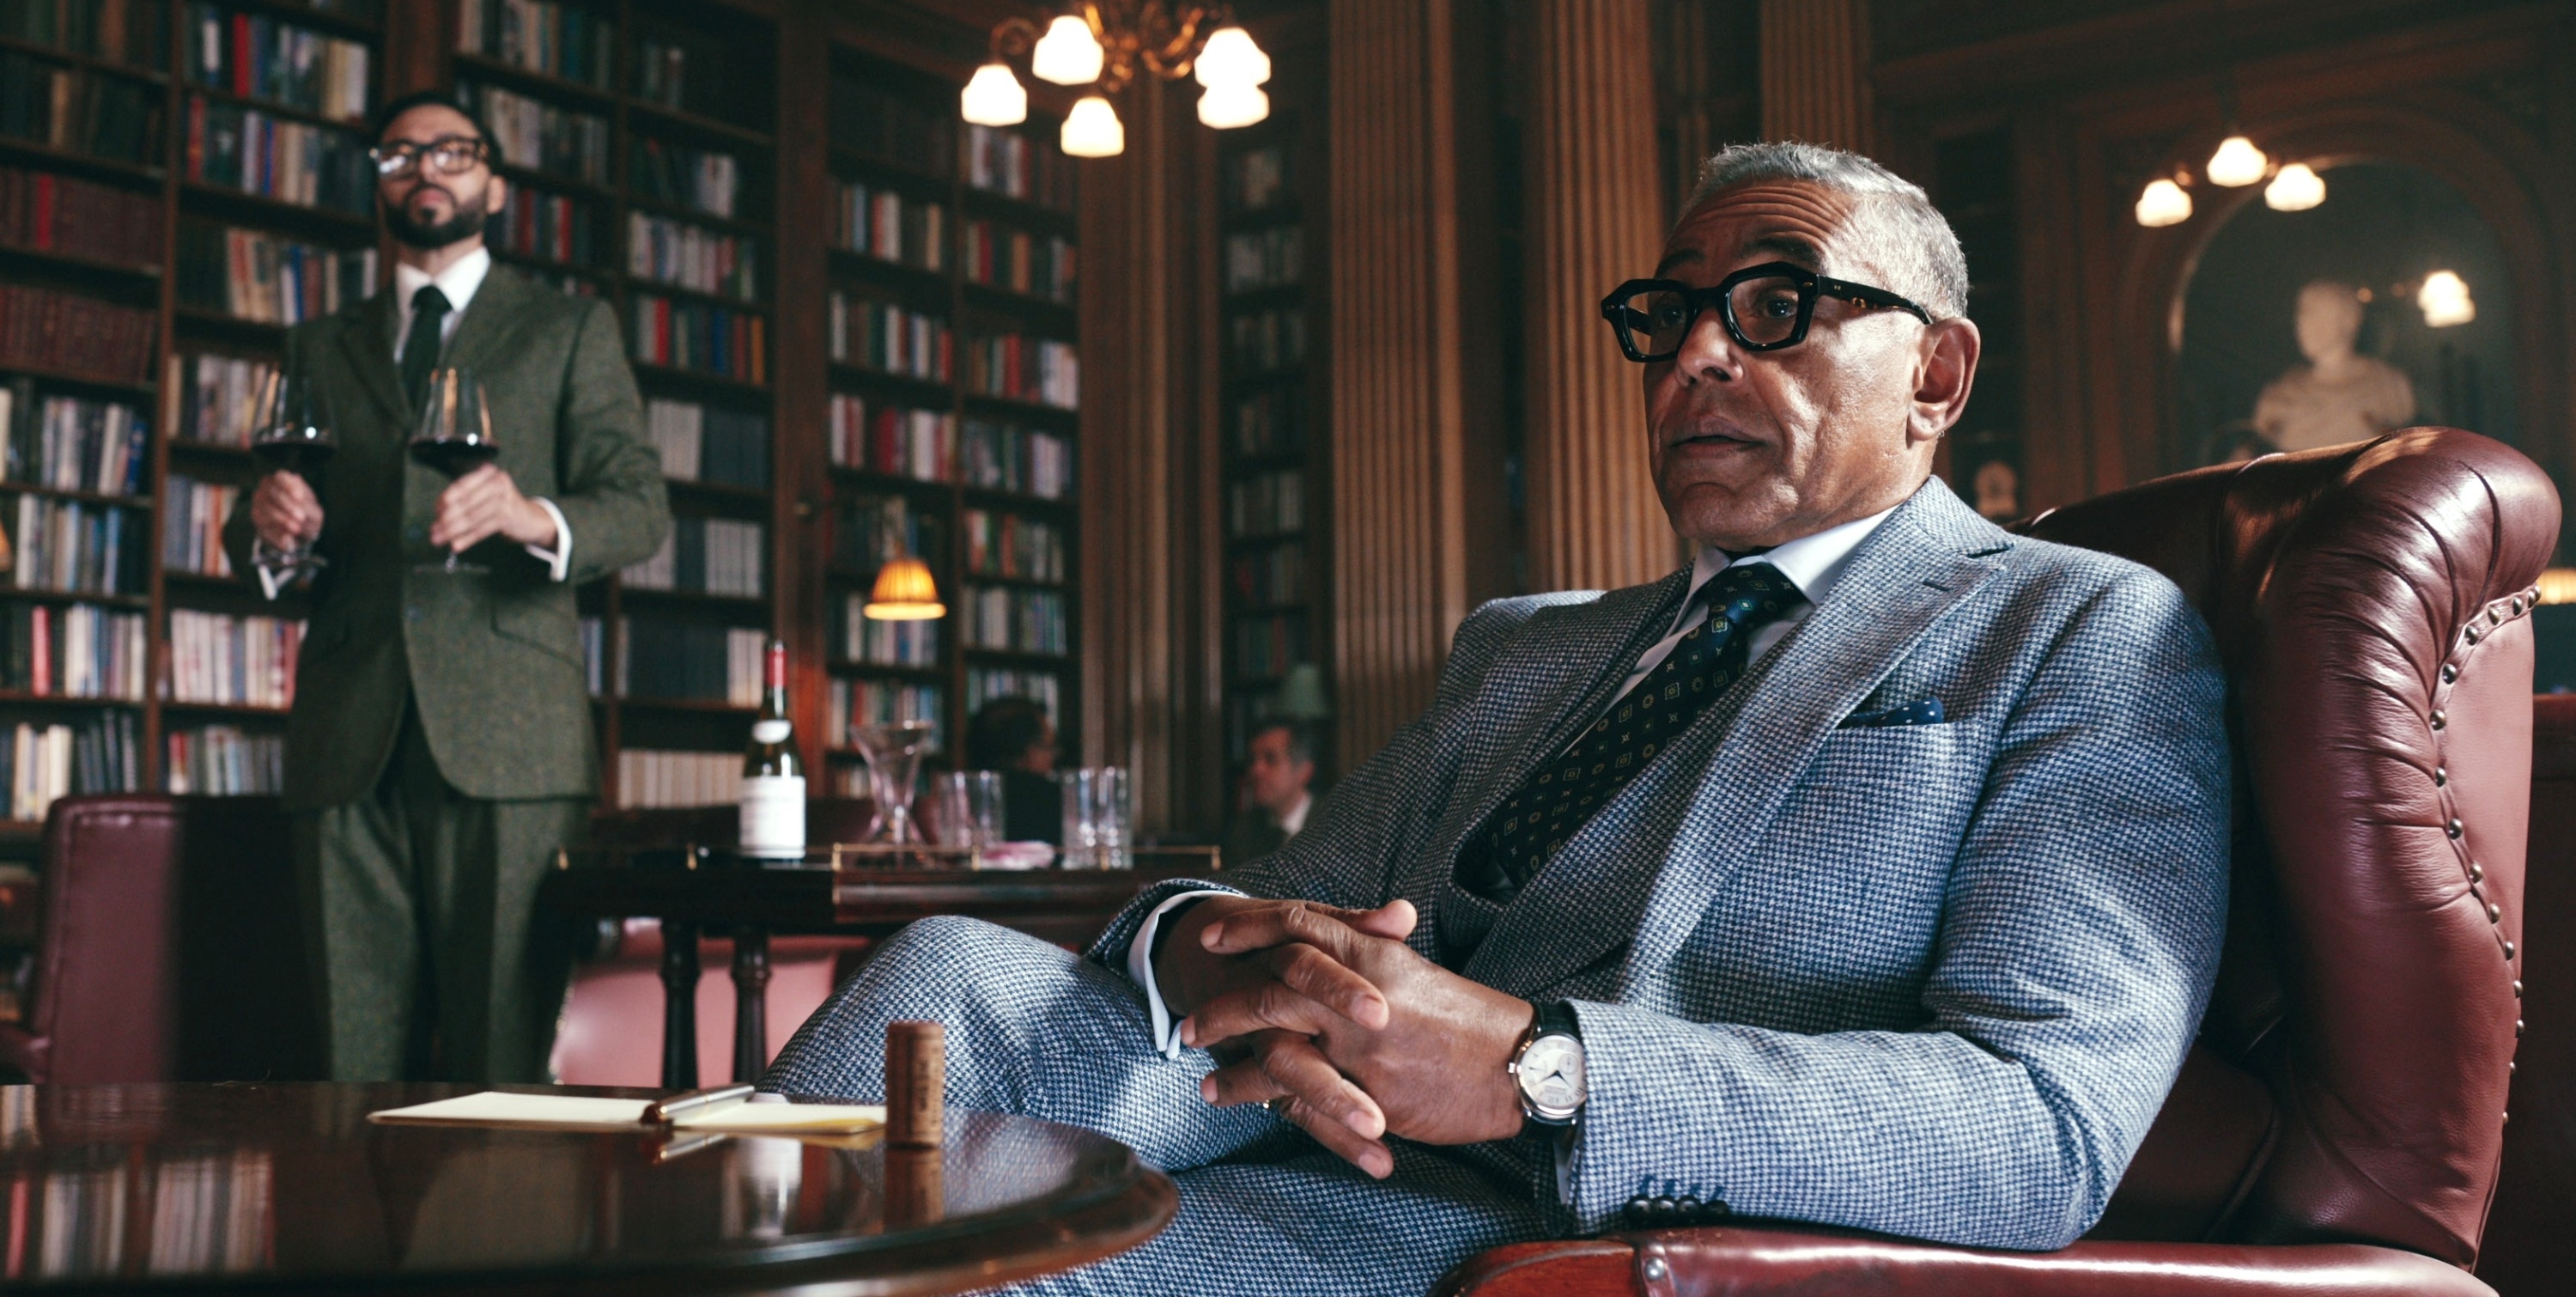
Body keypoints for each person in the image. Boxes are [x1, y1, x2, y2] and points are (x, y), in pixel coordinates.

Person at [762, 142, 2228, 1295]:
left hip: (1535, 1223)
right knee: (933, 976)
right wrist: (1192, 931)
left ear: (1938, 375)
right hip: (1268, 1113)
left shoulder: (2081, 629)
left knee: (925, 1268)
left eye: (1777, 306)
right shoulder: (1530, 647)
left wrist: (1545, 1066)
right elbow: (1292, 908)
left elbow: (2043, 1125)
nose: (1699, 356)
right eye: (1670, 317)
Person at [223, 89, 671, 1083]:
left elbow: (640, 506)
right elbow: (251, 523)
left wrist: (528, 515)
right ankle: (345, 1246)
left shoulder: (567, 328)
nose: (425, 167)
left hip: (513, 735)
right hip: (347, 732)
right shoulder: (318, 344)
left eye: (453, 151)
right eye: (399, 155)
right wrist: (263, 526)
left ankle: (501, 1247)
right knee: (348, 1065)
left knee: (502, 1061)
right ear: (377, 184)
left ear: (494, 185)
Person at [2251, 278, 2415, 452]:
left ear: (2346, 320)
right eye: (2300, 314)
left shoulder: (2388, 385)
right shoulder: (2282, 392)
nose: (2301, 323)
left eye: (2312, 313)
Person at [965, 696, 1063, 846]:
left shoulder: (962, 794)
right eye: (1048, 747)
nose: (1053, 756)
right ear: (1027, 750)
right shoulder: (1050, 797)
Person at [1218, 717, 1318, 864]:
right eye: (1252, 760)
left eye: (1271, 759)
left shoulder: (1333, 826)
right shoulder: (1243, 832)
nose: (1256, 770)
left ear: (1304, 771)